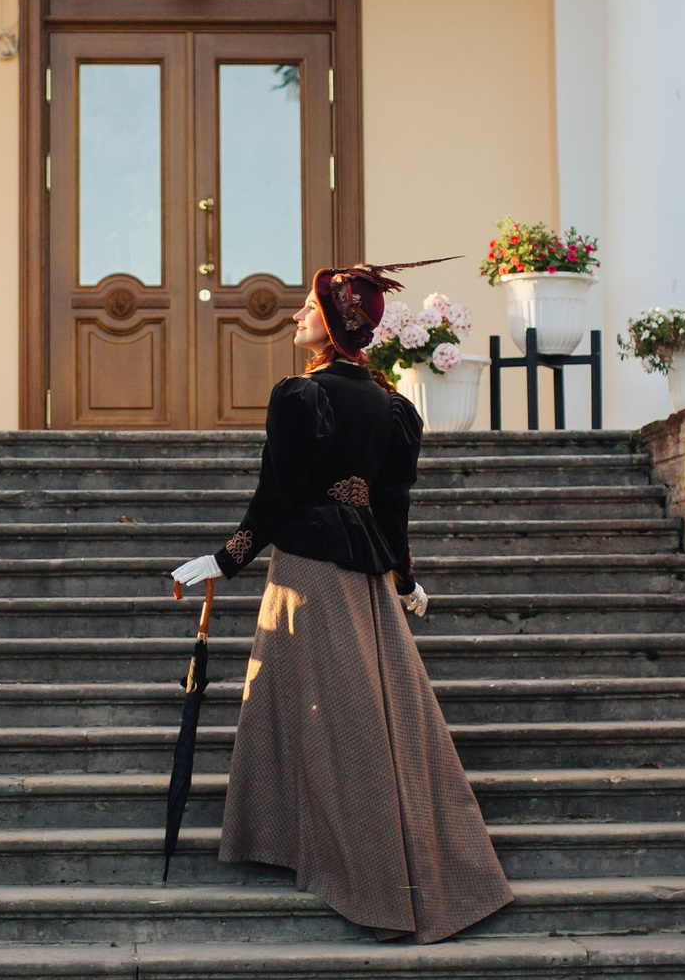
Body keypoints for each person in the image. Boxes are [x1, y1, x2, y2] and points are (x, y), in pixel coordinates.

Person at [168, 262, 513, 944]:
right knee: (357, 719)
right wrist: (405, 579)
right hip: (363, 577)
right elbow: (391, 508)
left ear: (332, 321)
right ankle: (337, 855)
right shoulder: (393, 407)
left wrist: (227, 557)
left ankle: (371, 882)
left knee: (339, 724)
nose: (295, 316)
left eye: (306, 308)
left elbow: (277, 496)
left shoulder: (301, 397)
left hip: (309, 575)